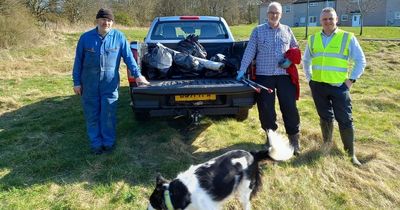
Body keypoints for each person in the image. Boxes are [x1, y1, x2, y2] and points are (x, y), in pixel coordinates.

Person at [72, 8, 149, 155]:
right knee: (92, 115)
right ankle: (96, 143)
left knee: (108, 115)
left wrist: (138, 75)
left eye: (109, 20)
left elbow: (129, 59)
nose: (105, 22)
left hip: (110, 85)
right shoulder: (85, 38)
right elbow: (78, 62)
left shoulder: (119, 37)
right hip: (89, 85)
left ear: (112, 22)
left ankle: (108, 143)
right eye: (103, 19)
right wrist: (76, 82)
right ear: (97, 20)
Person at [303, 7, 366, 166]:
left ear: (336, 19)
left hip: (339, 87)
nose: (328, 21)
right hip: (318, 87)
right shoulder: (313, 39)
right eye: (325, 19)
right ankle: (327, 146)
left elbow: (360, 60)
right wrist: (310, 79)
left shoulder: (347, 37)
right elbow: (306, 61)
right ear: (320, 21)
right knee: (325, 118)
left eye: (331, 18)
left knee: (345, 120)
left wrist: (351, 80)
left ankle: (350, 154)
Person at [236, 2, 301, 155]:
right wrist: (242, 69)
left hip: (284, 76)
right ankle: (271, 138)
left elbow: (295, 48)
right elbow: (250, 52)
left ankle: (294, 141)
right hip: (264, 76)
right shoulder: (257, 31)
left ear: (281, 14)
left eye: (277, 13)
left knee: (289, 107)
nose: (274, 15)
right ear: (267, 14)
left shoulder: (287, 30)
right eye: (271, 12)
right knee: (266, 109)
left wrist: (290, 60)